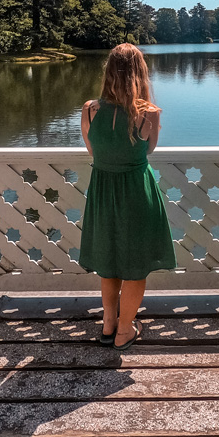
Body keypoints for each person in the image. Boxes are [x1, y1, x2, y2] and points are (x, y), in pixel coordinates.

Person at [79, 43, 176, 350]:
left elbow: (94, 151)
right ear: (141, 73)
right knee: (134, 267)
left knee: (108, 263)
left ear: (108, 71)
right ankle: (124, 331)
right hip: (136, 192)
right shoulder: (149, 114)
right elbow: (148, 151)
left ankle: (108, 326)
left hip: (103, 193)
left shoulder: (90, 110)